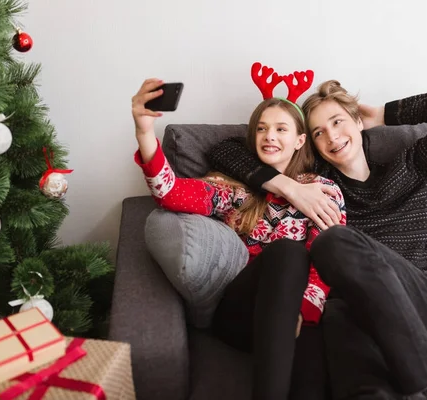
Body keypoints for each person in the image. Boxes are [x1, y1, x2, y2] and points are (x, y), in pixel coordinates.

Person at [207, 80, 427, 399]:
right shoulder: (319, 184)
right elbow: (222, 150)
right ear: (311, 144)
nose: (332, 136)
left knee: (333, 241)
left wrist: (381, 115)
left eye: (338, 122)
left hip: (419, 300)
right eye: (319, 132)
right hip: (355, 314)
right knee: (349, 349)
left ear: (358, 122)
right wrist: (290, 188)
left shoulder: (412, 166)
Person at [131, 72, 346, 400]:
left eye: (280, 129)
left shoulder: (323, 192)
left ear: (301, 140)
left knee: (312, 357)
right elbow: (169, 192)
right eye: (261, 128)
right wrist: (144, 131)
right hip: (240, 313)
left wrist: (303, 312)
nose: (268, 136)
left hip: (297, 314)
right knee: (288, 252)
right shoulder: (235, 191)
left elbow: (329, 260)